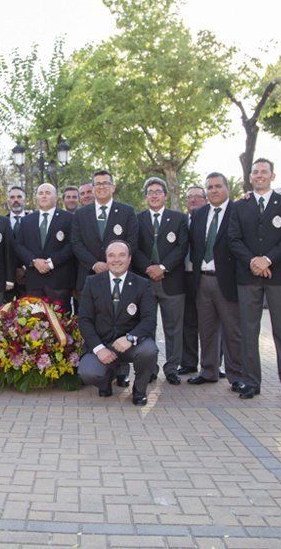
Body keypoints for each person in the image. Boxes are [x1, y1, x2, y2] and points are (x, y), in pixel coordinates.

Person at [227, 158, 281, 401]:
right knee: (248, 332)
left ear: (272, 175)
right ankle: (251, 382)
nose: (259, 175)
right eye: (255, 172)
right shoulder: (239, 207)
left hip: (278, 277)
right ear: (250, 177)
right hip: (247, 277)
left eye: (264, 172)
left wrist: (268, 260)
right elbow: (234, 239)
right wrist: (253, 262)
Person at [71, 170, 140, 388]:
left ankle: (121, 371)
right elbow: (76, 244)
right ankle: (96, 366)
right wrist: (95, 264)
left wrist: (113, 265)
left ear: (113, 186)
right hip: (90, 277)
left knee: (121, 321)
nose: (101, 187)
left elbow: (132, 242)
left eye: (105, 183)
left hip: (120, 277)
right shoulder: (81, 215)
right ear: (91, 188)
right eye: (97, 184)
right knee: (91, 322)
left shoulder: (127, 212)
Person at [77, 241, 158, 406]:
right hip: (103, 343)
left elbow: (149, 319)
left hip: (130, 345)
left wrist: (130, 338)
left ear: (129, 259)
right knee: (88, 372)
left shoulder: (142, 284)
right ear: (106, 259)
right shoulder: (92, 282)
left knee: (149, 350)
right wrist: (99, 349)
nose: (116, 260)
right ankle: (106, 379)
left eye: (121, 255)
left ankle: (139, 390)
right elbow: (84, 320)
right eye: (111, 255)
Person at [187, 173, 244, 391]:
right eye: (209, 187)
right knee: (207, 329)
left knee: (232, 331)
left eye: (218, 186)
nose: (214, 190)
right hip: (202, 279)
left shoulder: (238, 211)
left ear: (227, 188)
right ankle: (208, 370)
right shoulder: (199, 214)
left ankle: (236, 375)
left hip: (227, 280)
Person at [133, 177, 189, 385]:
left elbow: (182, 247)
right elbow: (134, 247)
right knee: (147, 328)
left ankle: (172, 368)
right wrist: (149, 268)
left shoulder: (179, 218)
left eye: (158, 191)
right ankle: (150, 368)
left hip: (172, 281)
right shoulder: (137, 219)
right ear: (146, 196)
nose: (154, 195)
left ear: (165, 195)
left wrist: (163, 267)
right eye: (150, 192)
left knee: (173, 328)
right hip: (145, 281)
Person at [13, 183, 75, 313]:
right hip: (34, 282)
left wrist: (51, 263)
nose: (44, 196)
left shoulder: (69, 218)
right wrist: (34, 261)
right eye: (41, 193)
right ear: (36, 197)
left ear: (56, 197)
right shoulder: (26, 220)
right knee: (34, 324)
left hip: (59, 281)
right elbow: (19, 245)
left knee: (61, 324)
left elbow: (72, 245)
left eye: (48, 193)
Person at [179, 185, 208, 378]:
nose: (193, 200)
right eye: (190, 197)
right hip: (184, 276)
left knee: (210, 322)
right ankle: (188, 362)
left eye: (198, 196)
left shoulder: (211, 219)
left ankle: (213, 363)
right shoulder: (181, 221)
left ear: (205, 199)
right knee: (187, 322)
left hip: (206, 277)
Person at [6, 185, 28, 300]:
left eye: (19, 197)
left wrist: (24, 268)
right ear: (8, 200)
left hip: (30, 275)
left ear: (25, 199)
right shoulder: (1, 221)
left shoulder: (34, 220)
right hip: (7, 280)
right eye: (12, 197)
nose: (16, 200)